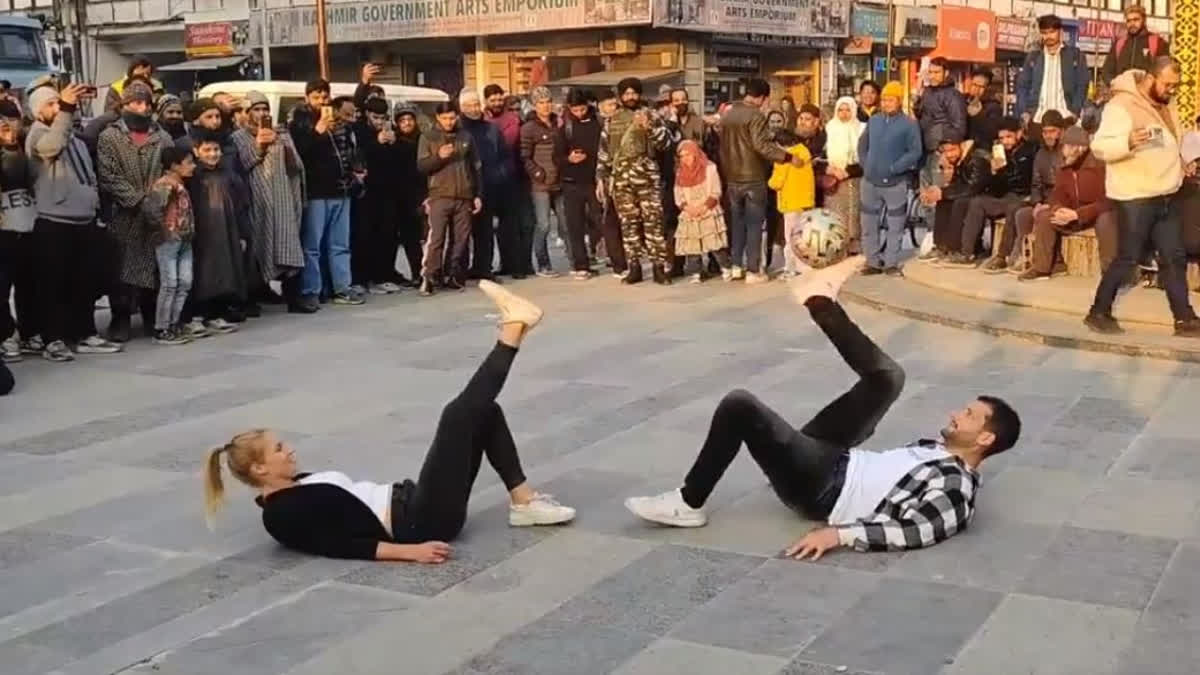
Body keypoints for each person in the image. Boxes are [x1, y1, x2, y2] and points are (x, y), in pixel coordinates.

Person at [625, 256, 1021, 558]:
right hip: (837, 459)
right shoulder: (941, 451)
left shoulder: (956, 486)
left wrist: (838, 535)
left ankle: (688, 502)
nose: (956, 413)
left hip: (821, 487)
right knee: (889, 379)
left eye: (968, 415)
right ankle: (819, 299)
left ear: (986, 437)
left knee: (739, 406)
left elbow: (917, 531)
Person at [203, 282, 576, 561]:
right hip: (419, 522)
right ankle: (511, 332)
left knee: (483, 412)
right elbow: (335, 545)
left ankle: (523, 500)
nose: (290, 449)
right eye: (279, 449)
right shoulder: (281, 514)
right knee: (457, 414)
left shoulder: (295, 486)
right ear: (259, 468)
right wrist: (409, 553)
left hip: (415, 502)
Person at [1086, 58, 1200, 337]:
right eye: (1168, 84)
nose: (1172, 90)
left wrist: (1183, 162)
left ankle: (1184, 319)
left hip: (1166, 193)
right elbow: (1099, 146)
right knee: (1128, 257)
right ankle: (1098, 311)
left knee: (1174, 257)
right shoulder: (1121, 106)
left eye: (1175, 85)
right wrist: (1127, 143)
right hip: (1136, 195)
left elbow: (1171, 141)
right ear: (1151, 78)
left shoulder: (1167, 104)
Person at [98, 80, 171, 342]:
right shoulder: (110, 136)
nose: (142, 108)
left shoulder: (161, 137)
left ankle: (152, 314)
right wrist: (136, 199)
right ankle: (120, 317)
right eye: (136, 103)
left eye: (147, 103)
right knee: (121, 269)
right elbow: (108, 175)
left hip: (155, 212)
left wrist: (157, 199)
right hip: (123, 213)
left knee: (153, 267)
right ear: (125, 105)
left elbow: (170, 172)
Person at [288, 79, 363, 312]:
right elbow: (301, 154)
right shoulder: (299, 122)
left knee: (340, 244)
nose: (322, 100)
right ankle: (311, 290)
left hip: (340, 190)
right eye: (317, 96)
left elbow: (348, 152)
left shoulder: (339, 122)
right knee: (312, 246)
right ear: (307, 97)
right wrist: (318, 130)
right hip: (316, 192)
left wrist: (354, 174)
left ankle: (342, 287)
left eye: (325, 95)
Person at [230, 91, 305, 305]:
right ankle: (258, 292)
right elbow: (244, 164)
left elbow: (296, 167)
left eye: (265, 109)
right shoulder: (238, 137)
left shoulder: (281, 132)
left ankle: (294, 295)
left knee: (289, 243)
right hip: (257, 200)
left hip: (282, 199)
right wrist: (260, 146)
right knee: (258, 246)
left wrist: (282, 143)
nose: (262, 113)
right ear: (247, 113)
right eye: (256, 109)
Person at [597, 77, 673, 285]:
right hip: (622, 178)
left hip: (647, 177)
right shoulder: (612, 119)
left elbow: (666, 143)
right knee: (628, 224)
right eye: (626, 93)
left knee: (654, 222)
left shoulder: (652, 115)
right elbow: (604, 152)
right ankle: (634, 267)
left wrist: (648, 127)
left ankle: (658, 267)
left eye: (634, 93)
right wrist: (601, 179)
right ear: (621, 96)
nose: (630, 97)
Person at [717, 78, 793, 283]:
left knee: (737, 223)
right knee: (754, 224)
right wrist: (787, 156)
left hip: (732, 177)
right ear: (762, 97)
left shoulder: (728, 115)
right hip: (752, 176)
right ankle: (753, 270)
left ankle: (735, 265)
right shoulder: (756, 116)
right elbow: (761, 146)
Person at [1019, 127, 1117, 282]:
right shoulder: (1064, 167)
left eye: (1067, 146)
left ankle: (1111, 273)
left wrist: (1079, 214)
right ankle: (1043, 268)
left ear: (1079, 148)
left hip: (1097, 213)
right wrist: (1059, 210)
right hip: (1073, 214)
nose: (1063, 151)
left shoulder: (1099, 166)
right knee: (1045, 216)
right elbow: (1056, 196)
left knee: (1106, 220)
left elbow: (1110, 200)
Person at [948, 116, 1037, 269]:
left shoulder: (1030, 150)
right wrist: (994, 173)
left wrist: (1006, 168)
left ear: (1019, 134)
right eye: (1002, 138)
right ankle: (967, 253)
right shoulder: (1000, 153)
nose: (1005, 141)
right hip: (1006, 196)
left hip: (1024, 196)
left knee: (1012, 208)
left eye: (1009, 136)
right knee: (977, 202)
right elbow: (998, 188)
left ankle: (1002, 256)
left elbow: (1024, 179)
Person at [417, 102, 482, 296]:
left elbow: (476, 167)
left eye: (452, 118)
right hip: (439, 194)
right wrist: (439, 157)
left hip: (464, 195)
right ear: (437, 118)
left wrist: (478, 195)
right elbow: (422, 166)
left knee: (460, 239)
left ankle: (452, 274)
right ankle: (429, 276)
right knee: (436, 238)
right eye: (445, 118)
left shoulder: (466, 136)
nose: (449, 122)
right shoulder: (428, 137)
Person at [188, 134, 250, 336]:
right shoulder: (194, 176)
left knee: (225, 271)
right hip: (202, 232)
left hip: (227, 230)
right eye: (207, 150)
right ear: (197, 151)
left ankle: (217, 314)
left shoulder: (229, 175)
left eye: (216, 150)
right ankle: (196, 316)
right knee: (202, 272)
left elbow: (241, 205)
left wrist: (242, 233)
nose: (213, 154)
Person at [859, 81, 923, 275]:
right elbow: (862, 145)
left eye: (891, 100)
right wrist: (866, 164)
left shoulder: (909, 125)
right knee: (868, 224)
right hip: (870, 182)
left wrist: (896, 168)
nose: (887, 103)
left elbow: (915, 151)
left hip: (895, 184)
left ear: (899, 101)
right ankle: (872, 261)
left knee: (896, 225)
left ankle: (891, 263)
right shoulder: (874, 120)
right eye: (884, 99)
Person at [998, 110, 1065, 274]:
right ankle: (1024, 255)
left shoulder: (1066, 151)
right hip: (1044, 199)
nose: (1048, 136)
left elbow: (1066, 185)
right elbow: (1036, 183)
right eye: (1045, 132)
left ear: (1061, 131)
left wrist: (1049, 205)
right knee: (1022, 214)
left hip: (1063, 200)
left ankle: (1055, 262)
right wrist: (1037, 202)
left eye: (1052, 131)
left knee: (1043, 216)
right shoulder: (1041, 154)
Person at [143, 146, 196, 345]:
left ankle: (174, 323)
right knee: (170, 283)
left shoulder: (179, 185)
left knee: (184, 282)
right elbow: (152, 210)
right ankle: (162, 326)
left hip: (184, 239)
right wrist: (165, 231)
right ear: (174, 165)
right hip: (169, 241)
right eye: (188, 162)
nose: (193, 166)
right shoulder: (165, 185)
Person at [458, 89, 508, 283]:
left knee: (485, 232)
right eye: (470, 105)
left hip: (488, 185)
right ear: (462, 107)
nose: (475, 108)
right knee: (462, 233)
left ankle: (483, 268)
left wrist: (500, 175)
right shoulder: (457, 128)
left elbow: (503, 155)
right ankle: (459, 270)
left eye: (477, 104)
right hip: (463, 188)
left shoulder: (491, 129)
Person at [0, 100, 36, 363]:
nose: (6, 125)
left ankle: (29, 331)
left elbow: (27, 174)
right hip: (5, 229)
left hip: (27, 222)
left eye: (10, 119)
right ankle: (7, 335)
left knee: (29, 282)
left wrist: (13, 145)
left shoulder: (24, 147)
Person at [483, 84, 530, 279]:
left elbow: (512, 145)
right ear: (486, 101)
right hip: (486, 180)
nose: (496, 103)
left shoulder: (513, 120)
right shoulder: (482, 120)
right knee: (487, 228)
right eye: (492, 100)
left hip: (511, 178)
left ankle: (517, 265)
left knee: (511, 226)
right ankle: (495, 265)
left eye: (499, 99)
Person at [557, 88, 603, 280]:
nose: (579, 113)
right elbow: (556, 157)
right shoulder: (565, 128)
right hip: (571, 182)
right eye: (575, 110)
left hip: (594, 181)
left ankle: (599, 253)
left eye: (582, 109)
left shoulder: (598, 124)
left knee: (599, 220)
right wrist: (569, 159)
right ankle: (580, 264)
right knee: (574, 224)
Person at [521, 87, 565, 278]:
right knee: (543, 225)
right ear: (534, 105)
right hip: (540, 184)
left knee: (565, 223)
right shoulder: (529, 128)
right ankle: (543, 263)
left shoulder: (559, 123)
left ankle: (576, 260)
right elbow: (525, 157)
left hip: (560, 181)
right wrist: (537, 173)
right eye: (541, 102)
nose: (546, 105)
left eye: (548, 101)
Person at [922, 138, 991, 262]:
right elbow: (956, 184)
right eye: (946, 151)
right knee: (943, 202)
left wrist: (944, 192)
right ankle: (941, 246)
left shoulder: (976, 158)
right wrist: (940, 187)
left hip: (984, 195)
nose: (949, 154)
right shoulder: (959, 160)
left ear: (961, 145)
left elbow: (973, 187)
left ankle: (956, 248)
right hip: (968, 193)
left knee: (959, 203)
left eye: (952, 150)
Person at [1016, 15, 1090, 123]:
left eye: (1051, 32)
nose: (1048, 36)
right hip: (1038, 119)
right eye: (1044, 33)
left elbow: (1082, 85)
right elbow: (1022, 86)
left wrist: (1075, 111)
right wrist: (1024, 112)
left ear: (1060, 32)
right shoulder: (1033, 57)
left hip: (1066, 117)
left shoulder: (1075, 56)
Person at [673, 140, 729, 283]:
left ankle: (726, 268)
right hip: (690, 211)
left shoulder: (710, 168)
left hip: (707, 208)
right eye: (681, 156)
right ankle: (696, 272)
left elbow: (716, 191)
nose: (685, 159)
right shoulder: (680, 172)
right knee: (692, 245)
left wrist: (703, 208)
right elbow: (678, 194)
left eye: (688, 155)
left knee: (715, 243)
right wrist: (687, 208)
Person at [768, 129, 815, 278]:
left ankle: (790, 268)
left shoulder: (785, 160)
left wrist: (768, 182)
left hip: (790, 203)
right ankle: (806, 267)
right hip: (805, 201)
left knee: (790, 238)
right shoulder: (804, 152)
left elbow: (776, 183)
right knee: (803, 237)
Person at [823, 97, 865, 255]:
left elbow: (865, 155)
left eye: (848, 110)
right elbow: (821, 153)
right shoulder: (829, 128)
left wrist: (848, 171)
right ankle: (836, 244)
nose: (844, 113)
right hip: (833, 178)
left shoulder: (861, 128)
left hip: (853, 176)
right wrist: (830, 169)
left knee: (853, 211)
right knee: (834, 211)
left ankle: (854, 243)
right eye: (840, 110)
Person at [393, 102, 427, 286]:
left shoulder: (423, 139)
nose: (406, 123)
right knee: (409, 238)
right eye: (402, 120)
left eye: (409, 119)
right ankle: (416, 273)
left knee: (425, 237)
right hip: (399, 196)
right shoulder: (393, 141)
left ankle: (426, 272)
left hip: (419, 194)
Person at [1101, 5, 1169, 88]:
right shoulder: (1119, 43)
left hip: (1146, 96)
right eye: (1128, 21)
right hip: (1122, 94)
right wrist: (1114, 83)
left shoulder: (1158, 42)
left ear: (1144, 20)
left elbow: (1165, 71)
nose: (1132, 23)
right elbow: (1106, 71)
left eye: (1136, 19)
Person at [916, 58, 967, 156]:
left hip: (943, 151)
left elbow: (959, 128)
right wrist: (917, 95)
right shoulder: (927, 92)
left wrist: (939, 136)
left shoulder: (953, 95)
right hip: (926, 148)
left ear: (946, 73)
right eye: (930, 72)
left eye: (937, 72)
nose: (932, 76)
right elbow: (919, 115)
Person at [965, 67, 1003, 151]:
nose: (977, 89)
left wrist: (978, 115)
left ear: (987, 88)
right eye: (974, 84)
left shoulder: (994, 106)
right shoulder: (961, 100)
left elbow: (993, 133)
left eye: (981, 86)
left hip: (981, 149)